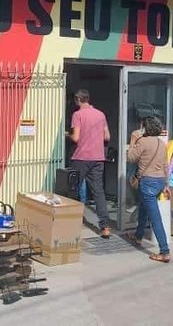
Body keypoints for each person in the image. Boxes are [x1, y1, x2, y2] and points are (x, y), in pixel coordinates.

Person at [126, 116, 171, 263]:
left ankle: (164, 251)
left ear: (145, 128)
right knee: (144, 207)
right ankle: (138, 236)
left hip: (148, 182)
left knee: (155, 218)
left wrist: (133, 140)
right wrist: (166, 185)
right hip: (159, 181)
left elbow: (131, 158)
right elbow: (165, 165)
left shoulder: (143, 142)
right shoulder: (161, 143)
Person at [68, 89, 112, 238]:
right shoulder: (100, 114)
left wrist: (68, 134)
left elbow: (76, 138)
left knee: (72, 189)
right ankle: (105, 226)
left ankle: (71, 223)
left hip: (81, 157)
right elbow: (107, 136)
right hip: (98, 158)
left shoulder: (77, 115)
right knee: (98, 192)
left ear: (77, 100)